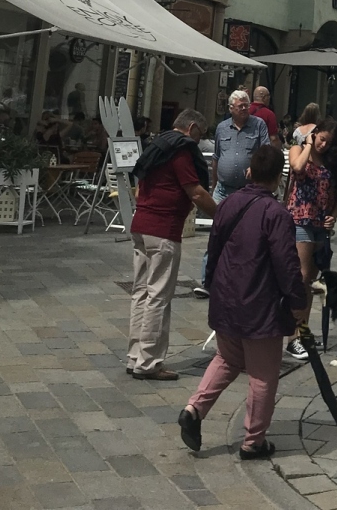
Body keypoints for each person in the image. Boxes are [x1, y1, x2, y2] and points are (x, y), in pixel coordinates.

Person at [178, 145, 306, 460]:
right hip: (259, 304)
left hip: (226, 297)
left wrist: (211, 284)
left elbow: (214, 249)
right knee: (263, 374)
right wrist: (297, 301)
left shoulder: (228, 204)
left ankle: (194, 409)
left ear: (250, 171)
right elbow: (287, 265)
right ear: (278, 177)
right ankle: (253, 441)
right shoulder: (276, 214)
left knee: (227, 358)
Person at [127, 109, 217, 380]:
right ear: (192, 127)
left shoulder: (157, 145)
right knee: (158, 296)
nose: (199, 141)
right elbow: (195, 192)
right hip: (163, 229)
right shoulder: (180, 149)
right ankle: (149, 362)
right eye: (200, 134)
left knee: (141, 293)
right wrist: (223, 215)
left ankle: (134, 357)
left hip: (141, 224)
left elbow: (139, 188)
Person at [194, 90, 271, 298]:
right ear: (231, 108)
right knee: (216, 234)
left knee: (248, 236)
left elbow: (266, 152)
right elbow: (217, 157)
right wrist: (214, 184)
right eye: (240, 105)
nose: (245, 108)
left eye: (247, 105)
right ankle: (208, 280)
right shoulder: (222, 128)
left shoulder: (258, 125)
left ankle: (242, 282)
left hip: (247, 191)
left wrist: (256, 166)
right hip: (223, 189)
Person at [285, 117, 337, 360]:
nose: (324, 146)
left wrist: (333, 217)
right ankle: (293, 336)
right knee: (300, 277)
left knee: (311, 281)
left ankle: (303, 332)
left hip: (321, 224)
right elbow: (298, 168)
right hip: (299, 220)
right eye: (322, 139)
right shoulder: (298, 149)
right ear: (315, 133)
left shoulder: (332, 161)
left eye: (328, 143)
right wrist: (309, 144)